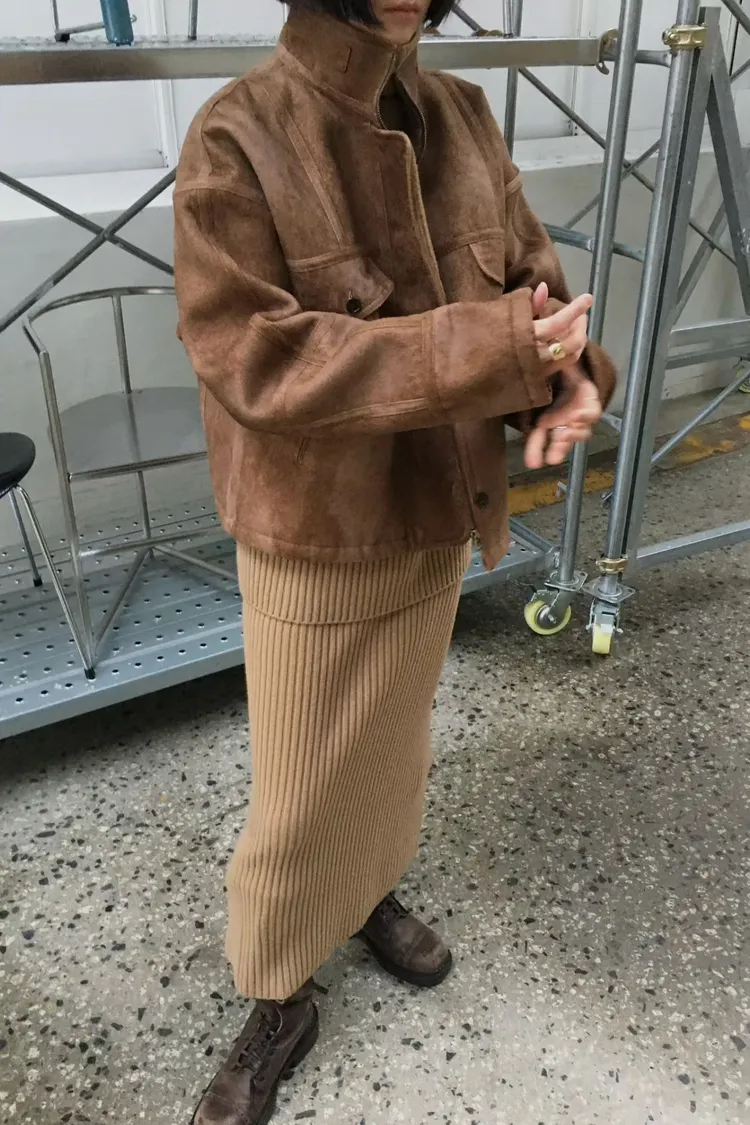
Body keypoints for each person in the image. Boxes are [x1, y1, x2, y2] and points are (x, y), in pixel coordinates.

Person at [174, 1, 616, 1121]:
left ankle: (364, 890)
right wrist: (491, 346)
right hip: (316, 529)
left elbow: (530, 286)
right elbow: (257, 358)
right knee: (300, 782)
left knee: (394, 739)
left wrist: (566, 379)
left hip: (438, 507)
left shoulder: (461, 113)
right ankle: (279, 991)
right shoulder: (238, 131)